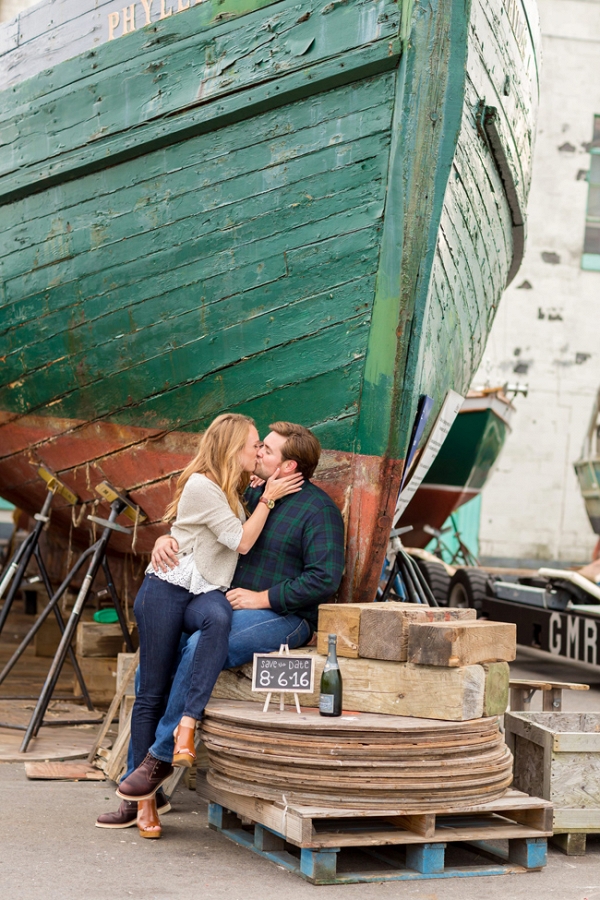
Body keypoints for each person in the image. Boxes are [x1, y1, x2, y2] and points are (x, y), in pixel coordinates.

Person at [96, 422, 345, 832]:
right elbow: (201, 529)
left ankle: (158, 758)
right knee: (151, 673)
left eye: (266, 450)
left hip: (284, 618)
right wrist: (165, 541)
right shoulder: (248, 493)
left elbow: (324, 579)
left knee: (198, 647)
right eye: (258, 446)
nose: (258, 453)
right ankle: (140, 796)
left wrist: (261, 598)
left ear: (289, 466)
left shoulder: (318, 511)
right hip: (222, 604)